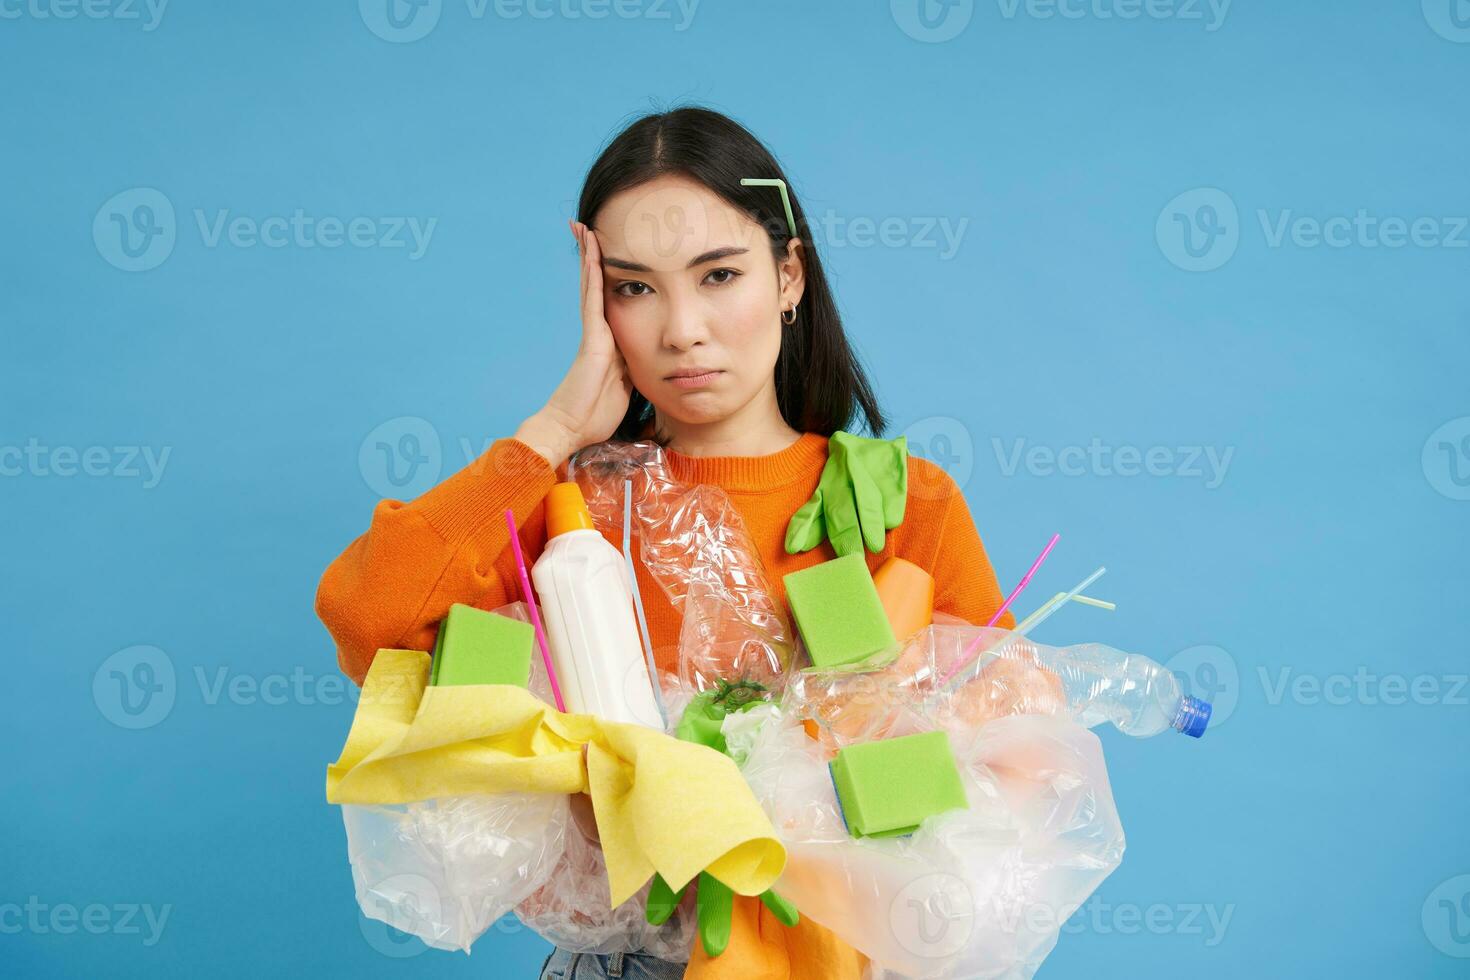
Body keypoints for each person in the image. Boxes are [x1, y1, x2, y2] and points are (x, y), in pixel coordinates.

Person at [315, 105, 1013, 980]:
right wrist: (554, 430)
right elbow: (365, 613)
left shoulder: (904, 504)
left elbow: (1007, 748)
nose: (681, 327)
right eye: (634, 287)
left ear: (790, 276)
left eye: (719, 275)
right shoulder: (573, 512)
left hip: (838, 957)